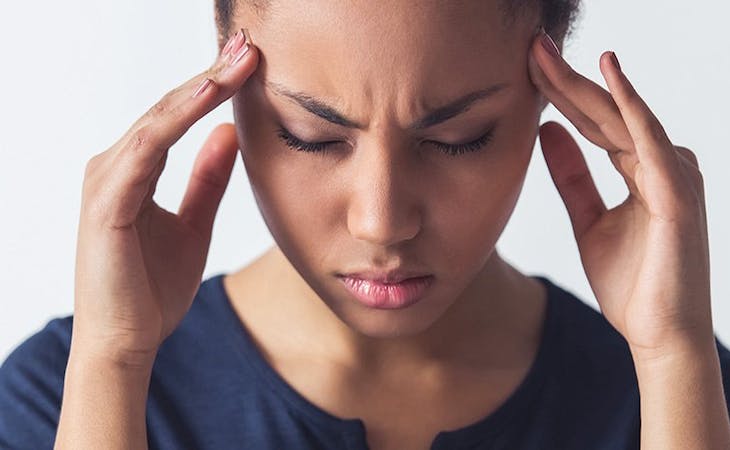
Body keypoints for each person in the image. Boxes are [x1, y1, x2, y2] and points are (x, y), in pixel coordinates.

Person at [1, 0, 729, 448]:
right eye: (311, 137)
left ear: (550, 95)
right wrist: (114, 367)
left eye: (458, 138)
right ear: (224, 84)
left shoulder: (683, 394)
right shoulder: (57, 397)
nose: (382, 222)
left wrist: (674, 363)